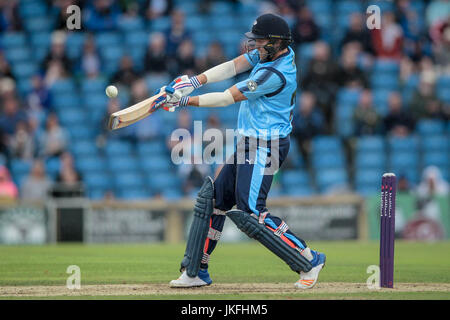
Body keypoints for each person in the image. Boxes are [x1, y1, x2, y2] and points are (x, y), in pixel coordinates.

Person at [156, 14, 326, 289]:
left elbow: (226, 97)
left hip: (266, 146)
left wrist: (185, 99)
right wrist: (195, 80)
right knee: (215, 202)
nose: (255, 44)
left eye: (259, 40)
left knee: (252, 212)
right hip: (248, 141)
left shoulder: (275, 74)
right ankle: (197, 270)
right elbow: (233, 66)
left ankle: (309, 259)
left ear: (275, 42)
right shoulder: (269, 55)